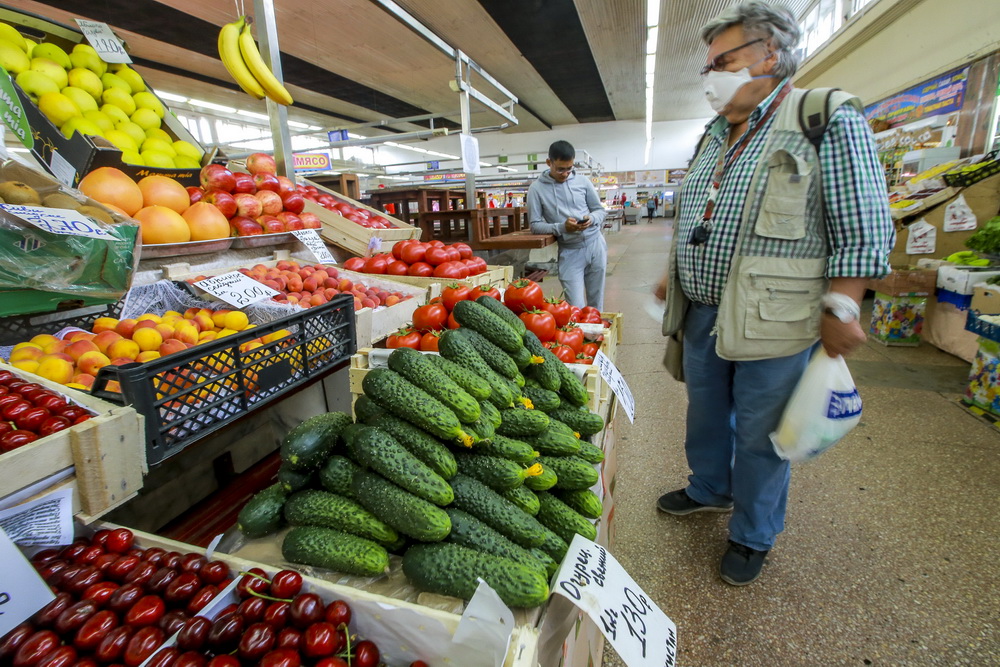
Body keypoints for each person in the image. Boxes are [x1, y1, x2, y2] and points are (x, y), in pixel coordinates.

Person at [654, 0, 894, 586]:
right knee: (705, 414)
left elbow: (862, 223)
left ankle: (752, 533)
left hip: (776, 317)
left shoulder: (823, 117)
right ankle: (710, 487)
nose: (711, 75)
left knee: (762, 431)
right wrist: (674, 269)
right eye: (708, 65)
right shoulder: (714, 135)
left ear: (769, 54)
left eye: (722, 61)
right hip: (703, 310)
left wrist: (843, 304)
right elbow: (701, 212)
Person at [528, 140, 608, 309]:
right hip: (570, 252)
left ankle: (596, 326)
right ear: (549, 162)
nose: (565, 174)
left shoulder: (583, 182)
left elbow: (599, 211)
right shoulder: (536, 189)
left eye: (569, 168)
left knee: (596, 304)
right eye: (560, 169)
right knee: (575, 308)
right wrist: (562, 227)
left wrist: (591, 218)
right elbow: (535, 225)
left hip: (595, 245)